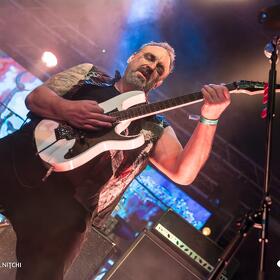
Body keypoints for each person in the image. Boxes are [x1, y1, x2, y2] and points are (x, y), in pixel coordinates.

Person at [0, 42, 230, 280]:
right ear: (132, 57)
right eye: (149, 57)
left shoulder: (155, 126)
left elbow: (184, 172)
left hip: (66, 209)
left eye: (160, 69)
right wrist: (66, 109)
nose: (152, 66)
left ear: (159, 82)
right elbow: (36, 98)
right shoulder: (89, 75)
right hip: (17, 158)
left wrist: (210, 118)